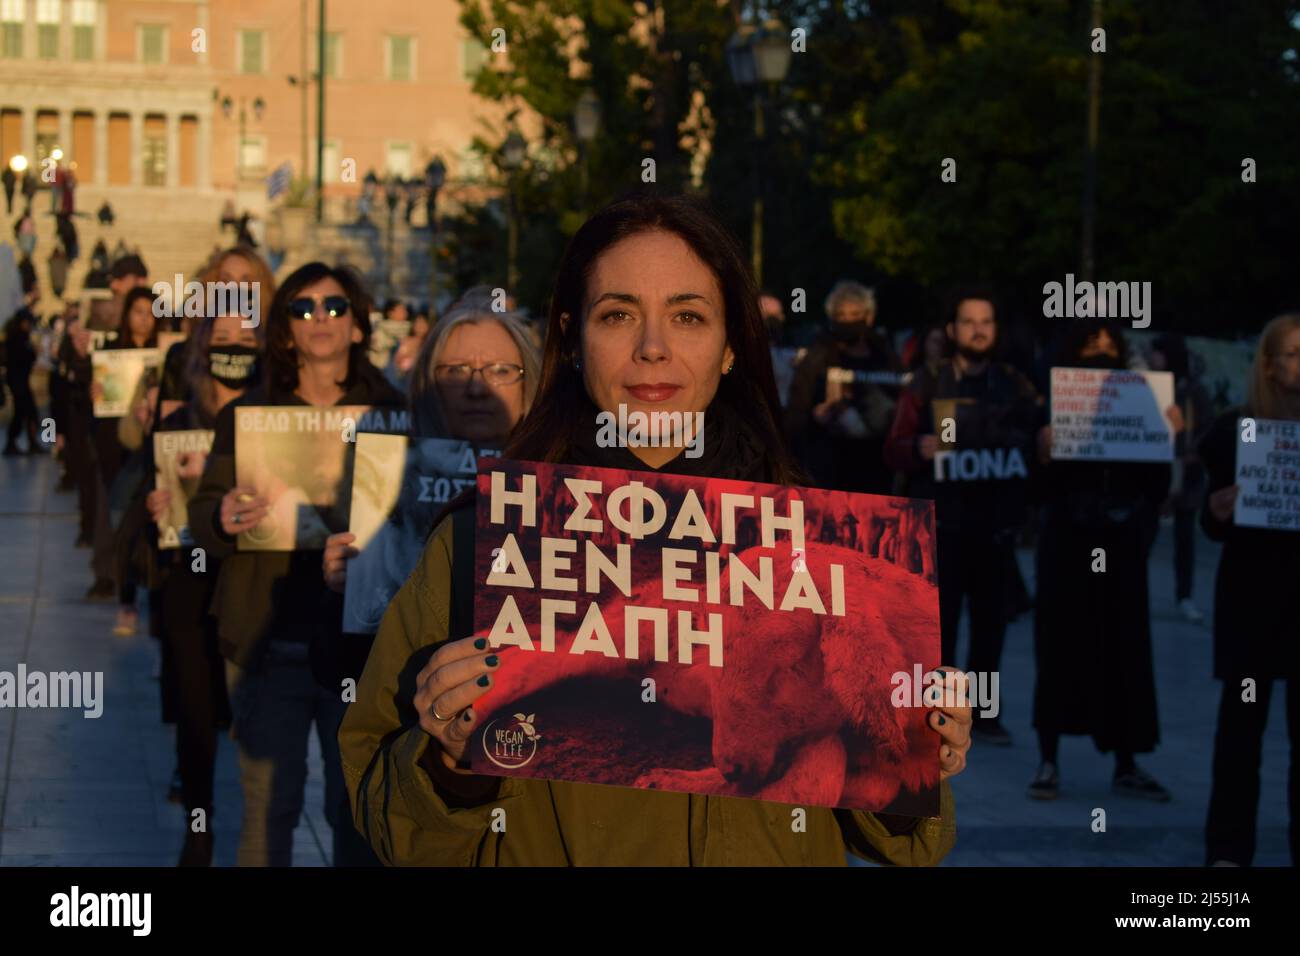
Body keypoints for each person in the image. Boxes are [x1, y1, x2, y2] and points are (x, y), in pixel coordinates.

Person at [339, 194, 969, 866]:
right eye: (617, 315)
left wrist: (919, 747)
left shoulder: (823, 552)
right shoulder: (479, 545)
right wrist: (446, 763)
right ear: (573, 339)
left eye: (688, 316)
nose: (653, 349)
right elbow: (388, 818)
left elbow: (901, 842)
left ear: (731, 347)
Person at [188, 262, 404, 866]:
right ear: (284, 332)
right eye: (303, 309)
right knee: (265, 812)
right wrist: (223, 513)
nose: (320, 319)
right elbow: (203, 511)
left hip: (363, 648)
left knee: (355, 810)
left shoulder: (396, 413)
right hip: (268, 640)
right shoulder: (247, 416)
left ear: (358, 326)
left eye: (335, 307)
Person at [1029, 320, 1182, 802]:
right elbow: (1036, 492)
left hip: (1121, 544)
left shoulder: (1143, 403)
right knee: (1057, 646)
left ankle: (1127, 761)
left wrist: (1167, 439)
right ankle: (1048, 759)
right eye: (1089, 343)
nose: (1099, 352)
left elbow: (1158, 492)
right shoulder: (1050, 407)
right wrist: (1043, 454)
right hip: (1067, 542)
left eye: (1108, 344)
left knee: (1126, 649)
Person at [885, 291, 1040, 745]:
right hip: (939, 529)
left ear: (996, 330)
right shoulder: (927, 382)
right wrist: (917, 449)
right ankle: (935, 715)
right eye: (968, 321)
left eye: (986, 322)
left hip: (995, 529)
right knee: (939, 628)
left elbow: (1040, 443)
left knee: (991, 626)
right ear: (952, 330)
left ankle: (986, 717)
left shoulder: (1016, 384)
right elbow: (892, 447)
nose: (977, 330)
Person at [146, 307, 266, 865]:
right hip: (188, 584)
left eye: (247, 338)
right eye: (222, 339)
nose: (235, 349)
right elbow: (141, 499)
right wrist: (156, 507)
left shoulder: (271, 420)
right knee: (195, 709)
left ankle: (259, 829)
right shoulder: (176, 422)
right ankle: (200, 827)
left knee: (238, 709)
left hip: (249, 582)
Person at [1200, 314, 1300, 866]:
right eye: (1294, 352)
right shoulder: (1230, 430)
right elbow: (1208, 518)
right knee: (1240, 734)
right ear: (1268, 363)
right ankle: (1228, 851)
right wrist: (1214, 511)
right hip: (1250, 605)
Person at [783, 280, 901, 494]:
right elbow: (795, 414)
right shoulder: (816, 357)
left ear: (869, 317)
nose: (847, 321)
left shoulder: (887, 356)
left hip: (877, 469)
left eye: (854, 315)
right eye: (840, 315)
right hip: (828, 469)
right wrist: (815, 419)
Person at [91, 287, 160, 633]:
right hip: (123, 451)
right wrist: (97, 395)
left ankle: (149, 596)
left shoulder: (168, 355)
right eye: (137, 311)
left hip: (156, 451)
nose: (144, 318)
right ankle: (127, 598)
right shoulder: (111, 353)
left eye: (150, 311)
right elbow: (100, 416)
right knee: (122, 524)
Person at [1148, 333, 1213, 623]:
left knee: (1184, 540)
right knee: (1142, 537)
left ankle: (1184, 597)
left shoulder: (1193, 391)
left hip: (1186, 474)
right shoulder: (1147, 386)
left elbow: (1207, 429)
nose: (1153, 359)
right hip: (1153, 473)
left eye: (1158, 353)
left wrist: (1193, 452)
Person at [3, 307, 43, 455]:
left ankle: (29, 442)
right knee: (25, 413)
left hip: (20, 381)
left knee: (26, 413)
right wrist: (33, 352)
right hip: (18, 382)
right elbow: (22, 358)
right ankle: (16, 443)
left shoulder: (18, 337)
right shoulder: (17, 338)